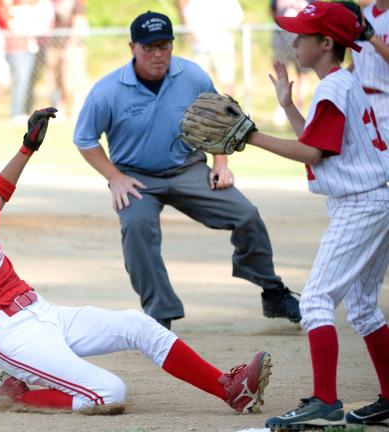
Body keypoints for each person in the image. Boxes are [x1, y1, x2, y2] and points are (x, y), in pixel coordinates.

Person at [0, 107, 273, 415]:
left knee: (137, 325)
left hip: (43, 312)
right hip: (9, 337)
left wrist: (27, 147)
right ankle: (16, 395)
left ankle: (229, 388)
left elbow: (3, 188)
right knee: (109, 393)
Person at [72, 10, 301, 331]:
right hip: (135, 177)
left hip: (187, 168)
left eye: (164, 45)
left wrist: (221, 163)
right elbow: (84, 138)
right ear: (132, 48)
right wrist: (114, 177)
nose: (157, 54)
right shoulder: (108, 90)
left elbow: (221, 121)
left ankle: (273, 292)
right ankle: (159, 314)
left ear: (172, 45)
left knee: (246, 214)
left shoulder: (192, 76)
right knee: (136, 228)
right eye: (148, 47)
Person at [238, 3, 389, 429]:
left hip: (359, 205)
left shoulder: (333, 88)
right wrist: (287, 107)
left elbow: (311, 152)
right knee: (361, 306)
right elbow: (322, 144)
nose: (294, 41)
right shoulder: (344, 82)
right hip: (374, 200)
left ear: (326, 44)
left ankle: (324, 401)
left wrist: (252, 135)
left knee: (317, 302)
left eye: (304, 36)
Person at [178, 0, 244, 95]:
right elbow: (187, 17)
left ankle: (227, 109)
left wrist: (221, 29)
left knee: (227, 83)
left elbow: (238, 18)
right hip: (201, 48)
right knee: (200, 84)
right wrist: (192, 34)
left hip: (222, 46)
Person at [269, 0, 314, 126]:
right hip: (282, 34)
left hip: (298, 30)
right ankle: (282, 108)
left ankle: (299, 107)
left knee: (302, 75)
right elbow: (272, 9)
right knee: (281, 71)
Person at [351, 0, 389, 138]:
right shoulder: (363, 13)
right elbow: (358, 59)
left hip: (385, 100)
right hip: (358, 99)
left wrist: (371, 36)